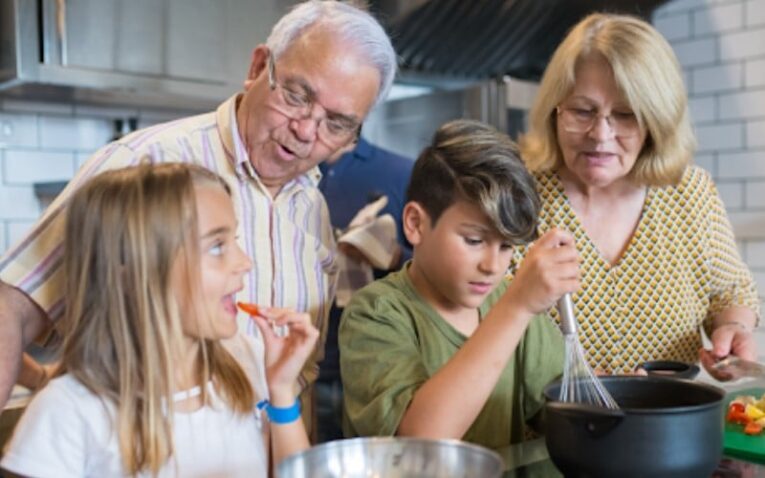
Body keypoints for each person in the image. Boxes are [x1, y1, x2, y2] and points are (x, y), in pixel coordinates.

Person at [0, 0, 397, 431]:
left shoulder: (310, 203)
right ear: (259, 65)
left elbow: (295, 381)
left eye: (336, 123)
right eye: (297, 95)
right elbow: (13, 307)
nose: (306, 130)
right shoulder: (146, 164)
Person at [1, 163, 317, 477]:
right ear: (135, 272)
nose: (244, 263)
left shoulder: (248, 359)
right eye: (217, 246)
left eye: (234, 240)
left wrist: (281, 389)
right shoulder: (68, 412)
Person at [517, 13, 759, 377]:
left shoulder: (690, 194)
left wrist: (733, 330)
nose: (600, 134)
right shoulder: (517, 198)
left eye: (626, 115)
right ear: (555, 111)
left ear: (657, 121)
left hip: (669, 425)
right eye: (582, 111)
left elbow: (731, 293)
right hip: (551, 427)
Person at [339, 119, 576, 450]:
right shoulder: (376, 313)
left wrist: (624, 401)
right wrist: (517, 306)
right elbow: (420, 442)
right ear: (415, 223)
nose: (493, 266)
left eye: (506, 246)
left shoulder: (511, 305)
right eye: (474, 240)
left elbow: (569, 414)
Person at [316, 137, 413, 442]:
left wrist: (394, 255)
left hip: (376, 368)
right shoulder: (291, 168)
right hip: (296, 369)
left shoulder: (401, 172)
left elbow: (435, 262)